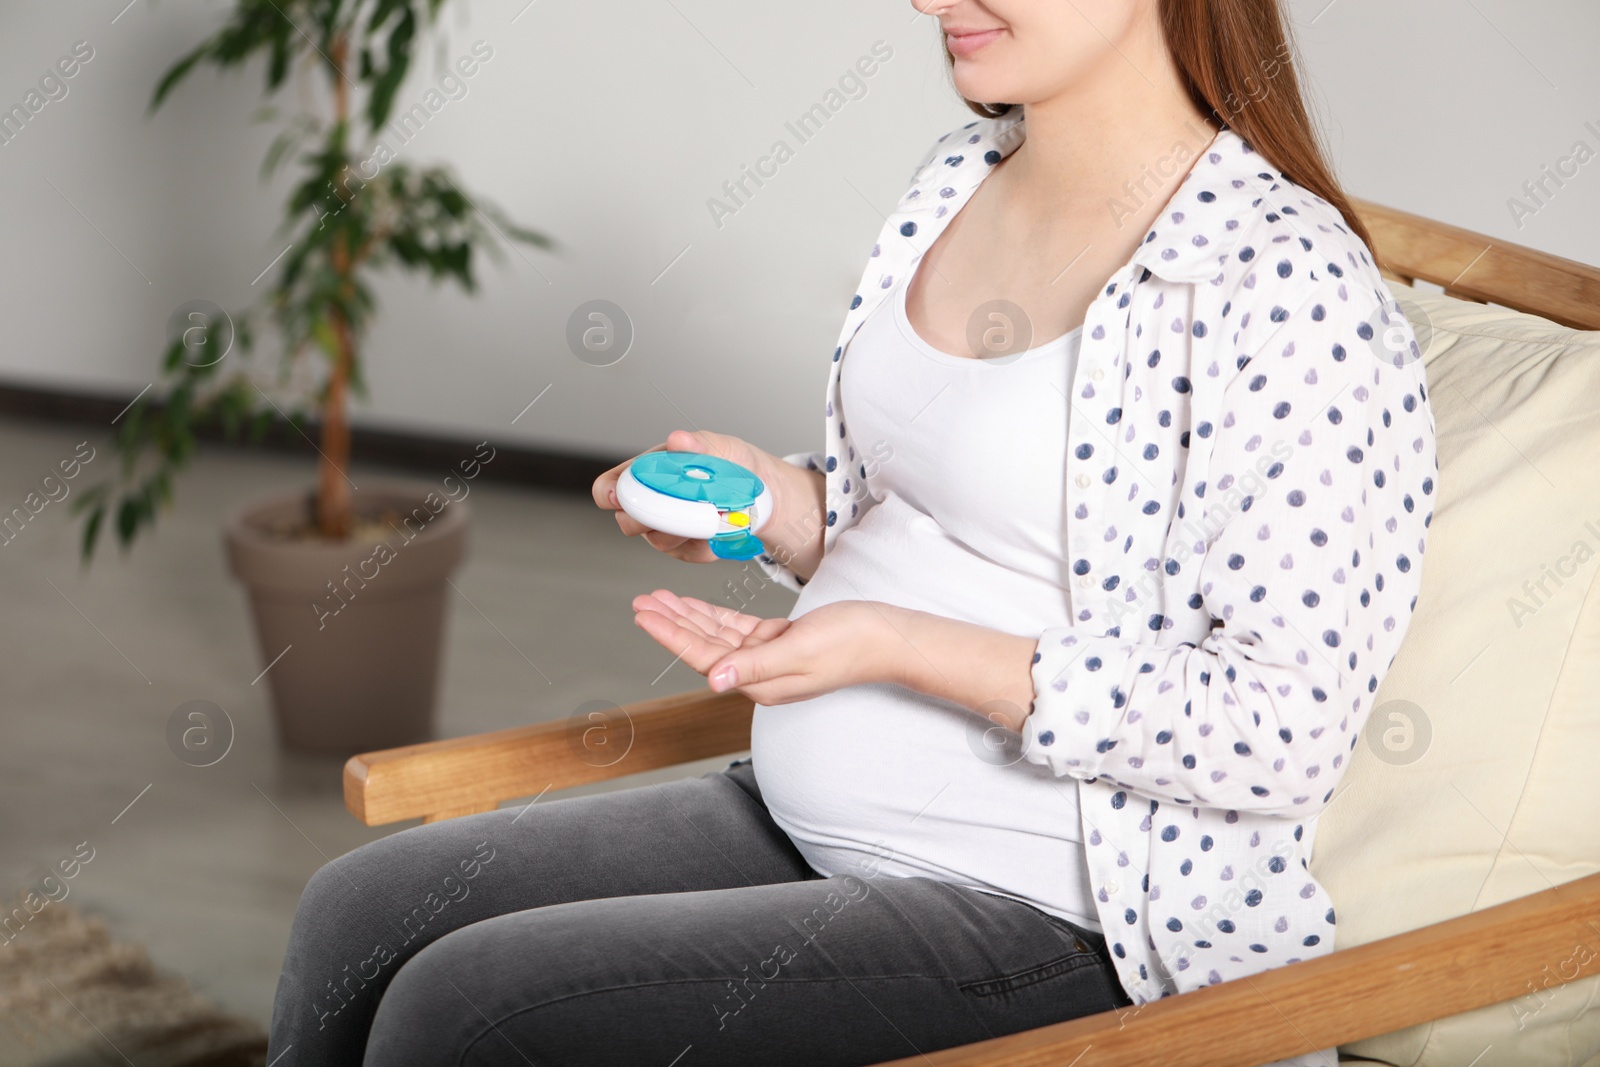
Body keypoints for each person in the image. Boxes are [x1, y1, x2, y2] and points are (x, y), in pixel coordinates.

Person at [266, 1, 1436, 1064]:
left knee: (469, 1009)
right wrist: (785, 507)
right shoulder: (962, 176)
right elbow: (962, 528)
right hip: (804, 818)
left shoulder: (1279, 282)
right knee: (357, 916)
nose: (928, 1)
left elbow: (1280, 728)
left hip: (1067, 909)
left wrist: (895, 642)